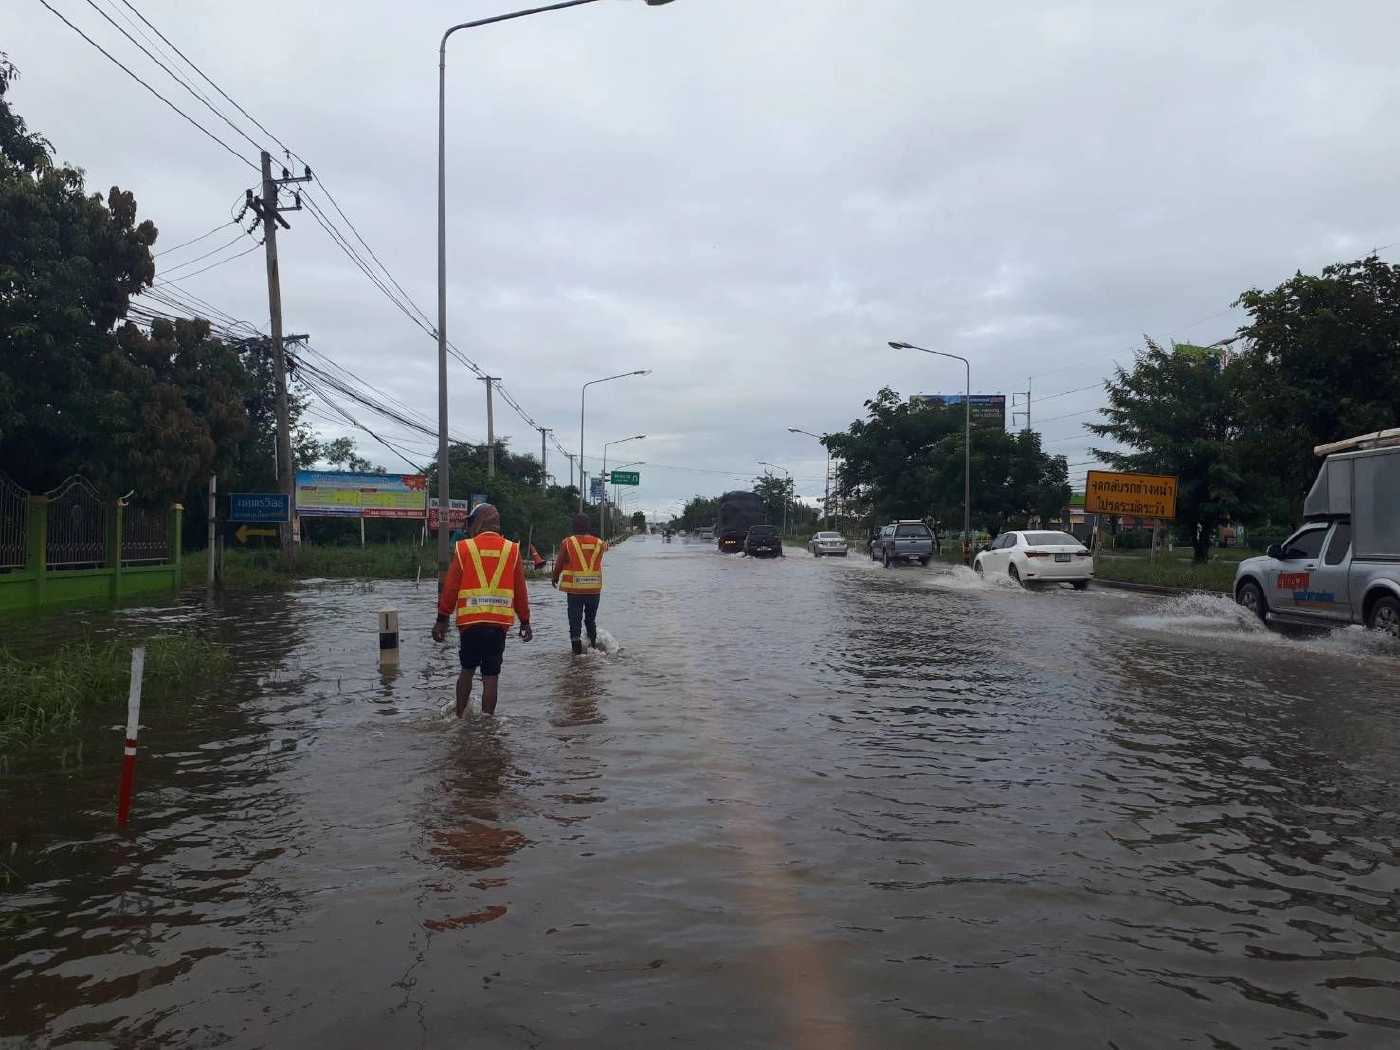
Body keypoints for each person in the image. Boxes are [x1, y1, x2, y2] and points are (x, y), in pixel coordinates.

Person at [431, 503, 532, 717]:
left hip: (470, 625)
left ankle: (458, 717)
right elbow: (520, 590)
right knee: (491, 677)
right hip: (497, 626)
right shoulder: (512, 549)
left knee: (467, 670)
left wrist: (442, 618)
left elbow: (451, 587)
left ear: (479, 521)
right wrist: (525, 621)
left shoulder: (464, 548)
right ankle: (488, 726)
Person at [551, 512, 604, 655]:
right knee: (590, 621)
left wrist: (554, 577)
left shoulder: (567, 543)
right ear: (588, 526)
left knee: (575, 622)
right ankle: (593, 647)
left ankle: (576, 655)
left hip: (575, 591)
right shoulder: (600, 543)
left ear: (574, 526)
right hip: (594, 591)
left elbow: (560, 564)